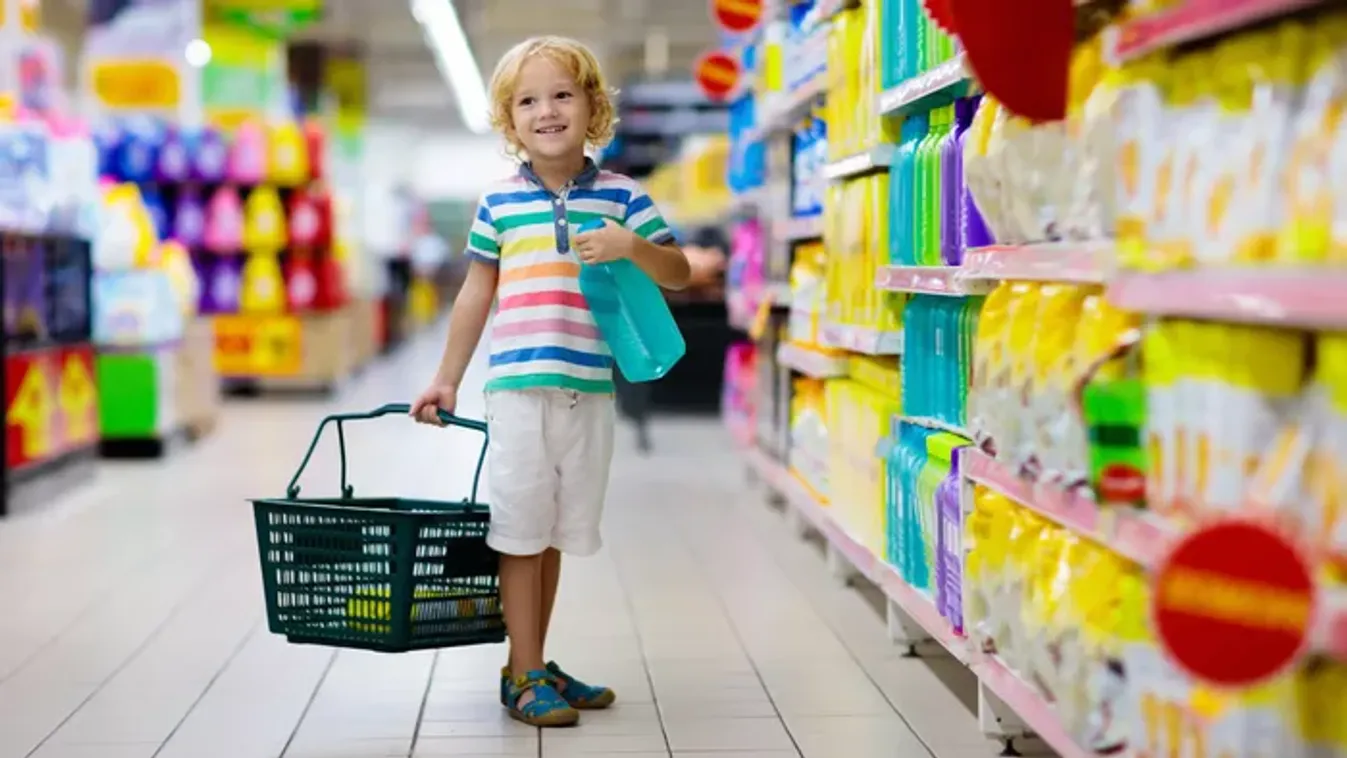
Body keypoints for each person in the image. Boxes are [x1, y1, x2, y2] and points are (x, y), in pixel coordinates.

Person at [408, 36, 691, 728]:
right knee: (518, 529)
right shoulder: (499, 205)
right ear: (510, 122)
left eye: (562, 94)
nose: (547, 111)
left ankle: (527, 663)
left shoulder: (625, 198)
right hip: (517, 389)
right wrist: (446, 378)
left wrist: (633, 247)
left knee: (556, 530)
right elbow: (476, 293)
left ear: (592, 106)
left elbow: (679, 272)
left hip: (589, 389)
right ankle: (525, 670)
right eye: (528, 101)